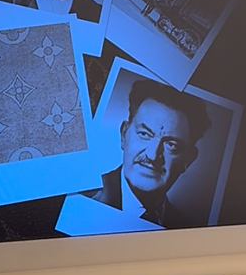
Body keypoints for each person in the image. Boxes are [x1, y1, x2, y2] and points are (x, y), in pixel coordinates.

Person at [89, 78, 211, 228]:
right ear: (124, 135)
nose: (152, 156)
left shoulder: (189, 229)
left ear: (189, 159)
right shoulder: (81, 197)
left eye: (171, 145)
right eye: (144, 134)